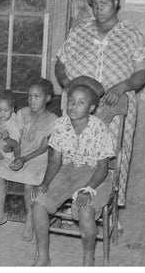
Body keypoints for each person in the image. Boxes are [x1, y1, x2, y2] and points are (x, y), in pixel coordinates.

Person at [55, 0, 145, 206]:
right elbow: (61, 63)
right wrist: (67, 84)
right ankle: (69, 204)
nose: (98, 8)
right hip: (77, 105)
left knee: (113, 155)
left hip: (115, 103)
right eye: (94, 3)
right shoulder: (80, 31)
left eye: (104, 3)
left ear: (115, 4)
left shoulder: (131, 34)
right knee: (73, 152)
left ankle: (110, 207)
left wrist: (121, 87)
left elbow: (143, 73)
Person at [31, 77, 115, 266]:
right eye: (71, 101)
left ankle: (88, 257)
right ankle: (43, 255)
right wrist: (45, 183)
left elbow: (103, 168)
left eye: (81, 102)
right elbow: (55, 160)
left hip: (95, 176)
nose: (74, 106)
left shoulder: (98, 129)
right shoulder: (61, 125)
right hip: (69, 172)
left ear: (91, 108)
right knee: (39, 203)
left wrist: (88, 189)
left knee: (85, 211)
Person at [0, 78, 58, 240]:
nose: (31, 100)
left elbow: (43, 148)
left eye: (37, 96)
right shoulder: (22, 113)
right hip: (20, 153)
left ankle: (29, 221)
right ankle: (0, 214)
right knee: (0, 171)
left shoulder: (54, 120)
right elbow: (17, 137)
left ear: (48, 98)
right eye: (29, 96)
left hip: (38, 158)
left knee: (29, 179)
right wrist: (13, 151)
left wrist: (24, 159)